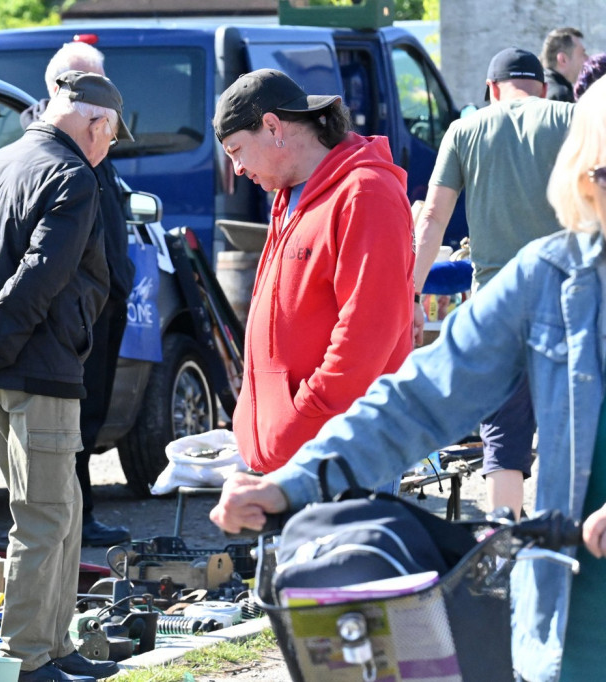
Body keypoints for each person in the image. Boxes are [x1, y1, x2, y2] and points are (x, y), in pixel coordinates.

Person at [211, 76, 606, 682]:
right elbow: (419, 399)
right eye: (601, 178)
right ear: (584, 179)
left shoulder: (360, 190)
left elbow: (366, 337)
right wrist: (294, 484)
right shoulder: (552, 277)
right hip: (567, 635)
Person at [0, 70, 133, 682]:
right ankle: (25, 657)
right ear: (98, 123)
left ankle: (53, 646)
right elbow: (40, 278)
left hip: (4, 367)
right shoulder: (72, 176)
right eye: (110, 138)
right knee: (43, 514)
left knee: (58, 507)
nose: (107, 149)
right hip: (39, 366)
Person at [212, 68, 414, 476]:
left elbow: (367, 335)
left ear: (272, 126)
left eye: (236, 151)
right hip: (302, 453)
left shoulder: (365, 191)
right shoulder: (289, 195)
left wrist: (302, 419)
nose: (236, 169)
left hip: (339, 455)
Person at [411, 48, 573, 519]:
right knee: (574, 425)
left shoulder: (466, 129)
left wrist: (412, 296)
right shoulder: (573, 119)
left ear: (491, 89)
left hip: (496, 308)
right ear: (542, 87)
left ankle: (506, 546)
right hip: (568, 299)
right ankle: (572, 544)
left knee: (504, 434)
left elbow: (433, 221)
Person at [20, 42, 135, 547]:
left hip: (104, 305)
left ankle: (82, 514)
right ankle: (76, 520)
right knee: (71, 424)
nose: (108, 100)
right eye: (94, 85)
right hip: (73, 314)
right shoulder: (51, 148)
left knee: (90, 417)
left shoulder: (94, 140)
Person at [540, 27, 588, 102]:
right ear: (563, 60)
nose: (587, 59)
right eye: (583, 54)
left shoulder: (538, 87)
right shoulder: (562, 96)